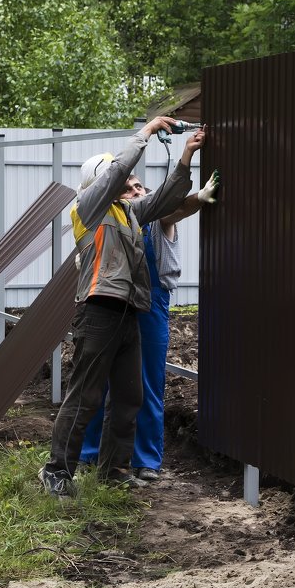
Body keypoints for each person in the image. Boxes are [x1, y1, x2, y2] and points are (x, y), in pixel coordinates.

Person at [38, 117, 205, 497]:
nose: (131, 186)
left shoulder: (128, 213)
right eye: (124, 182)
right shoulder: (88, 208)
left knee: (129, 396)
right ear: (101, 183)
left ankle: (113, 467)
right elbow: (118, 172)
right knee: (86, 394)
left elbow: (166, 199)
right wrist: (145, 133)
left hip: (130, 312)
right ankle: (57, 471)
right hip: (98, 311)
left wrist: (187, 156)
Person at [77, 170, 218, 481]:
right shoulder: (108, 218)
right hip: (112, 302)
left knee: (146, 384)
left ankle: (144, 461)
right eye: (128, 188)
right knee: (97, 381)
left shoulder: (156, 219)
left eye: (139, 185)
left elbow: (175, 207)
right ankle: (88, 455)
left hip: (151, 304)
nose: (136, 191)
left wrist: (198, 197)